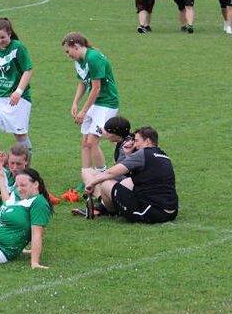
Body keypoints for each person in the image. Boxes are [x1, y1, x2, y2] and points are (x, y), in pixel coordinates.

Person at [62, 32, 120, 193]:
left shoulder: (94, 58)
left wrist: (83, 110)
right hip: (96, 103)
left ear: (76, 46)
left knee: (93, 142)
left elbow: (96, 88)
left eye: (68, 51)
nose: (68, 55)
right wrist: (75, 102)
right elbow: (82, 82)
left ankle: (102, 177)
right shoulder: (79, 61)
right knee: (85, 143)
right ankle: (87, 176)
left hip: (107, 103)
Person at [85, 126, 178, 224]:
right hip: (171, 212)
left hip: (151, 212)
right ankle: (107, 206)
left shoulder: (143, 153)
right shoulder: (164, 156)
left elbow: (111, 173)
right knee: (127, 182)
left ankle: (110, 211)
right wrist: (129, 155)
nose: (135, 144)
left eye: (137, 141)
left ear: (147, 141)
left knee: (106, 184)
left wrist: (92, 183)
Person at [0, 18, 33, 151]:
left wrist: (19, 91)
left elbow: (28, 70)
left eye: (2, 37)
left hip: (18, 99)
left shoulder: (18, 48)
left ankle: (25, 168)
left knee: (20, 135)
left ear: (10, 34)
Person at [71, 116, 135, 218]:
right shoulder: (128, 139)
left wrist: (98, 180)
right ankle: (103, 204)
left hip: (126, 186)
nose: (105, 134)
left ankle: (104, 205)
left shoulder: (125, 149)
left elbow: (121, 173)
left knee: (88, 173)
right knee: (93, 174)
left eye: (108, 132)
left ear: (115, 133)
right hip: (129, 184)